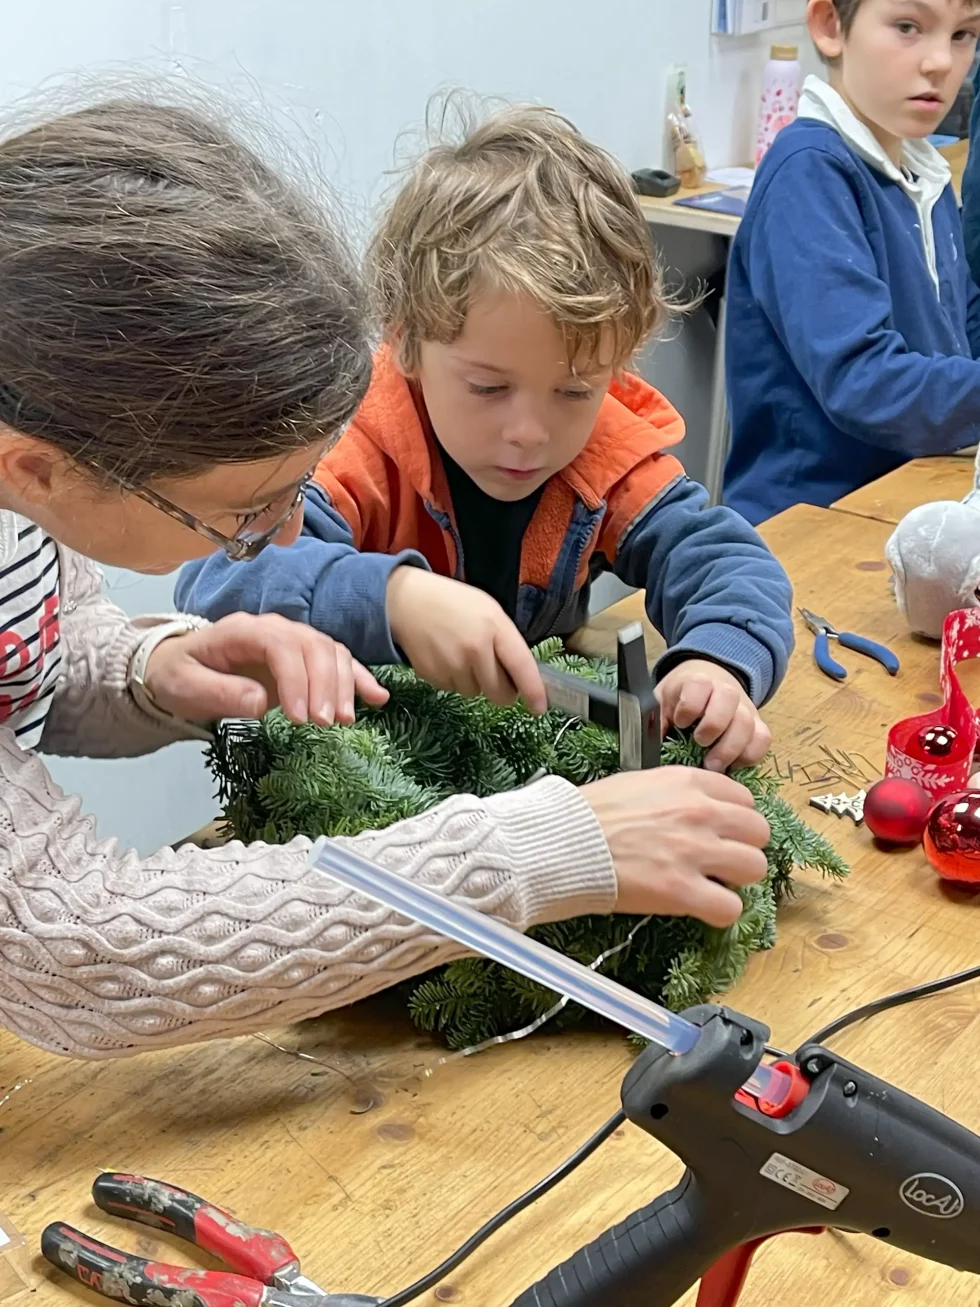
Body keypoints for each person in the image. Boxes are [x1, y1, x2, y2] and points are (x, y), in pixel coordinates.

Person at [0, 97, 773, 1062]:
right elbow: (75, 950)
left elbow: (28, 642)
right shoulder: (37, 448)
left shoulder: (24, 460)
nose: (278, 537)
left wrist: (144, 669)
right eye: (245, 514)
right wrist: (546, 849)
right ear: (36, 467)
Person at [178, 104, 794, 775]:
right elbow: (218, 577)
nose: (531, 433)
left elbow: (725, 559)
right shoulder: (355, 444)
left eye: (574, 390)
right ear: (408, 340)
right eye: (488, 389)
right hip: (360, 771)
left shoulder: (601, 451)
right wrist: (398, 600)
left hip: (521, 769)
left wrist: (718, 661)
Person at [724, 0, 980, 527]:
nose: (941, 62)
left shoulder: (918, 169)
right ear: (828, 26)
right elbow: (865, 382)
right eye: (908, 27)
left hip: (910, 497)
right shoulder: (810, 173)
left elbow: (964, 324)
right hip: (807, 524)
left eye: (963, 36)